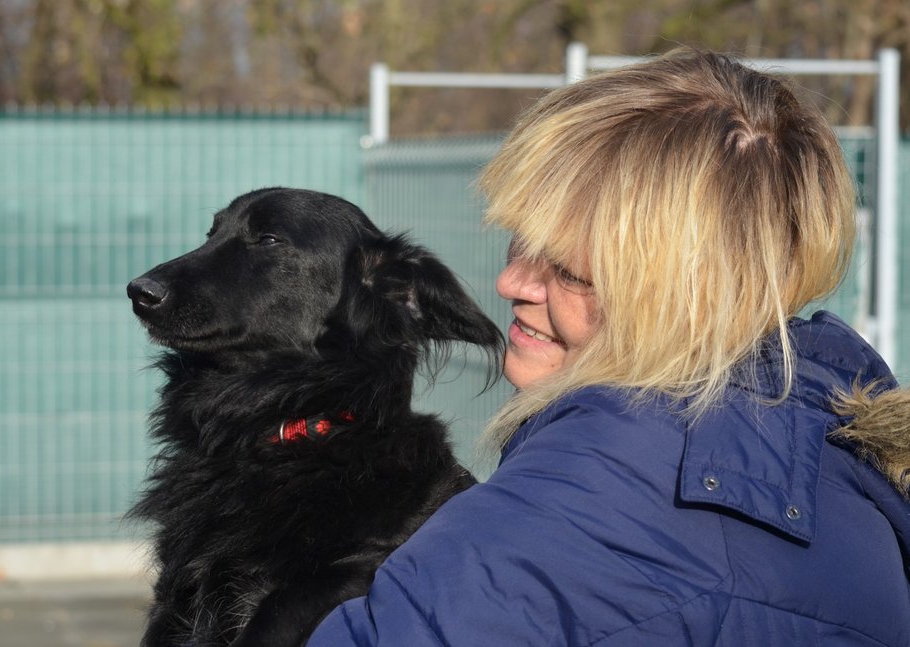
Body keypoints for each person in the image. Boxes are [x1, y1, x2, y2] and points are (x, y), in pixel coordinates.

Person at [307, 48, 910, 645]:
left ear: (691, 297)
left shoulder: (602, 492)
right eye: (522, 240)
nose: (510, 283)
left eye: (569, 273)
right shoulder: (817, 430)